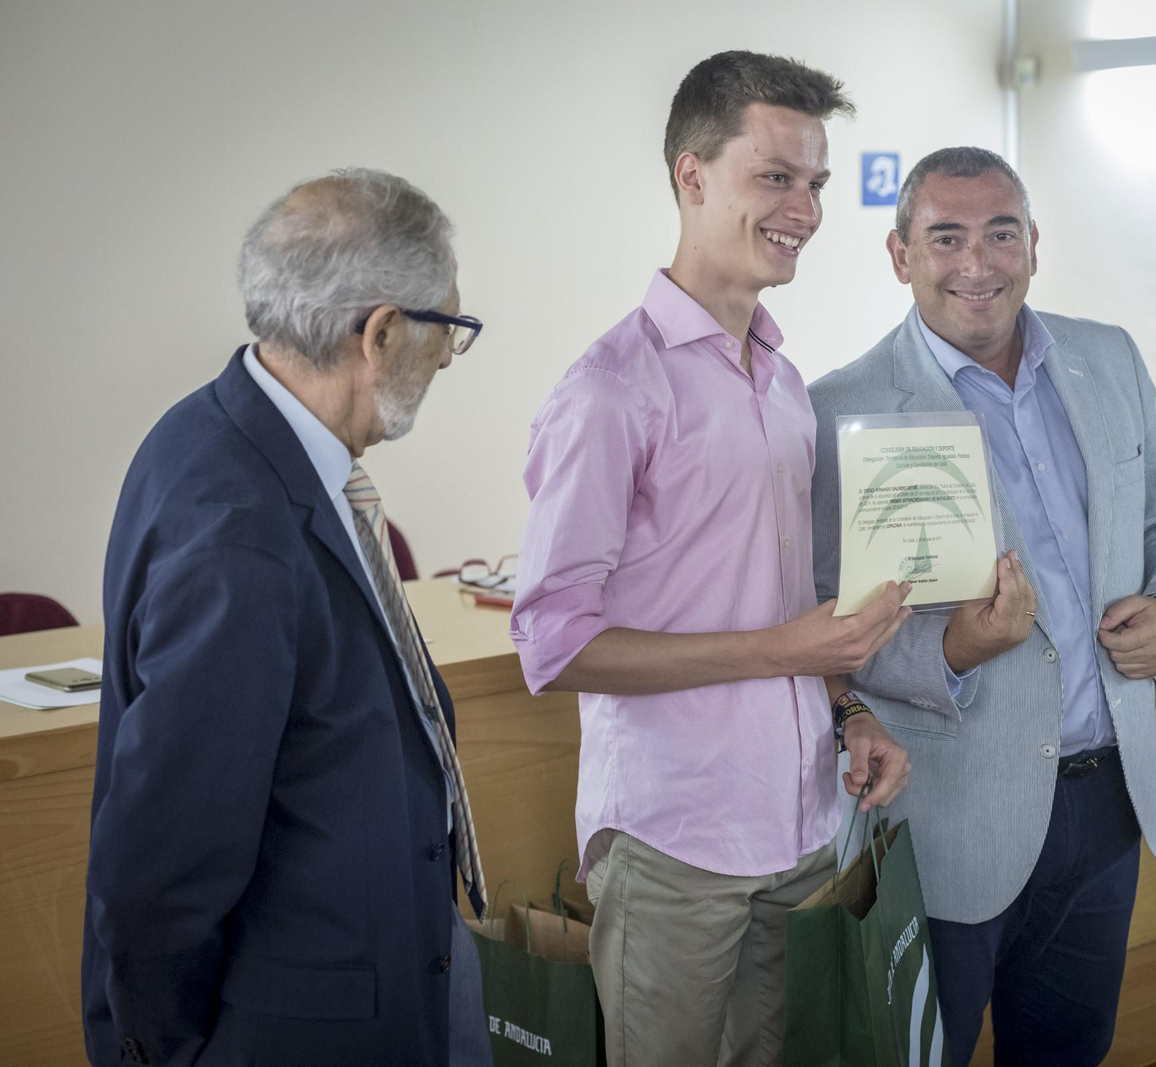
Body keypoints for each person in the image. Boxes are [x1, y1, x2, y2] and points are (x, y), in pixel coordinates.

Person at [509, 52, 911, 1067]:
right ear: (692, 174)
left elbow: (783, 603)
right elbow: (553, 643)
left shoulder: (780, 380)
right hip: (675, 836)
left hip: (799, 820)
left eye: (815, 182)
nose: (806, 208)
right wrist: (783, 646)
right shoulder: (608, 390)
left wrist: (847, 707)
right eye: (776, 176)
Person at [808, 146, 1156, 1066]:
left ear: (1033, 243)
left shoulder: (1108, 357)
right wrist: (953, 644)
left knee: (1070, 1050)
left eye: (1000, 233)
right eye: (945, 237)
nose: (977, 262)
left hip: (1108, 797)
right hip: (951, 819)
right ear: (899, 253)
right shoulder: (842, 409)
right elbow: (827, 629)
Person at [82, 169, 492, 1067]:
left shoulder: (230, 432)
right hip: (293, 1027)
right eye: (449, 329)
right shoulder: (239, 530)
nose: (451, 356)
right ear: (381, 334)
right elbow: (162, 868)